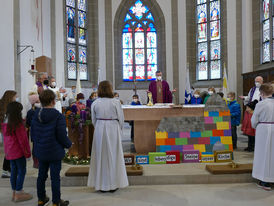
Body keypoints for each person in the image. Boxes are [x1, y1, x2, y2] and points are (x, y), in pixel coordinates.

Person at [31, 89, 72, 206]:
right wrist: (68, 144)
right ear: (53, 101)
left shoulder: (36, 114)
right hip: (54, 152)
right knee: (55, 178)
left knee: (41, 176)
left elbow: (33, 134)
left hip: (41, 151)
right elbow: (62, 135)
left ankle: (41, 199)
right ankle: (56, 202)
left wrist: (38, 145)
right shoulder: (58, 116)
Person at [87, 81, 128, 192]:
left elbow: (93, 120)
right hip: (113, 127)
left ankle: (101, 184)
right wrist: (119, 130)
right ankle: (113, 185)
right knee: (113, 155)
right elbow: (121, 118)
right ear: (110, 89)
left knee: (101, 155)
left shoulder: (95, 102)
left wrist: (100, 126)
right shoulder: (116, 102)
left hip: (100, 127)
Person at [1, 102, 32, 202]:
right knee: (22, 171)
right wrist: (27, 154)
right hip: (18, 152)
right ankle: (19, 193)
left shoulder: (5, 122)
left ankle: (14, 192)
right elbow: (23, 140)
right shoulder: (17, 124)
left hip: (9, 152)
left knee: (14, 171)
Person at [251, 83, 274, 191]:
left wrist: (255, 126)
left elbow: (254, 120)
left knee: (263, 154)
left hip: (264, 129)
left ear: (262, 93)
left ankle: (265, 181)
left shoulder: (261, 104)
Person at [0, 90, 17, 178]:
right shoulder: (9, 107)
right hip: (8, 131)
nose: (16, 98)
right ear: (10, 97)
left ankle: (8, 170)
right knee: (10, 151)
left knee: (10, 151)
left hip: (6, 131)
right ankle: (6, 171)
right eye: (15, 96)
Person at [26, 92, 41, 168]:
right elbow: (28, 123)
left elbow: (27, 123)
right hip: (38, 132)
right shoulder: (38, 111)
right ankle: (37, 162)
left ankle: (36, 162)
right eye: (38, 100)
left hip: (35, 133)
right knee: (36, 147)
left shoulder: (30, 112)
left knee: (35, 147)